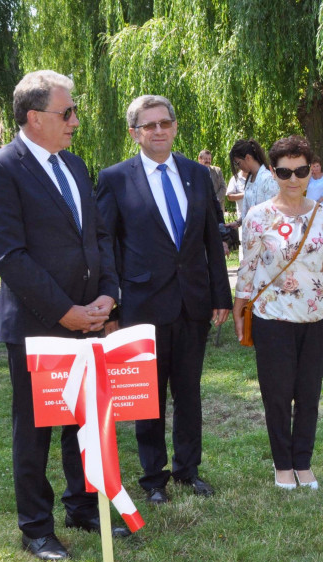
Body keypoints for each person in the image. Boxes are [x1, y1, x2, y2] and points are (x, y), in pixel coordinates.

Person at [0, 70, 122, 561]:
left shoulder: (76, 166)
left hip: (90, 319)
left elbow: (99, 236)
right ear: (35, 117)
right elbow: (8, 255)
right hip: (39, 326)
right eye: (68, 112)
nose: (76, 121)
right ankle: (35, 527)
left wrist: (107, 296)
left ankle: (82, 507)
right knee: (35, 429)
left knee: (84, 421)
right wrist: (64, 312)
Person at [95, 95, 233, 506]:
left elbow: (212, 237)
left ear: (174, 126)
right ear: (135, 133)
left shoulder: (198, 174)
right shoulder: (115, 179)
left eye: (165, 123)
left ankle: (188, 470)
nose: (158, 130)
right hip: (141, 307)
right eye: (149, 125)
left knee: (189, 391)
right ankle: (153, 478)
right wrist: (112, 308)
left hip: (193, 304)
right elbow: (106, 246)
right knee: (148, 397)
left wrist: (219, 295)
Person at [232, 135, 323, 490]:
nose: (294, 179)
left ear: (311, 171)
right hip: (272, 319)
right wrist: (239, 310)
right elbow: (247, 268)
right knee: (278, 395)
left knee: (309, 394)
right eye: (285, 172)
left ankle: (303, 463)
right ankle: (283, 465)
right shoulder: (257, 216)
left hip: (318, 319)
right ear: (273, 171)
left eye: (300, 171)